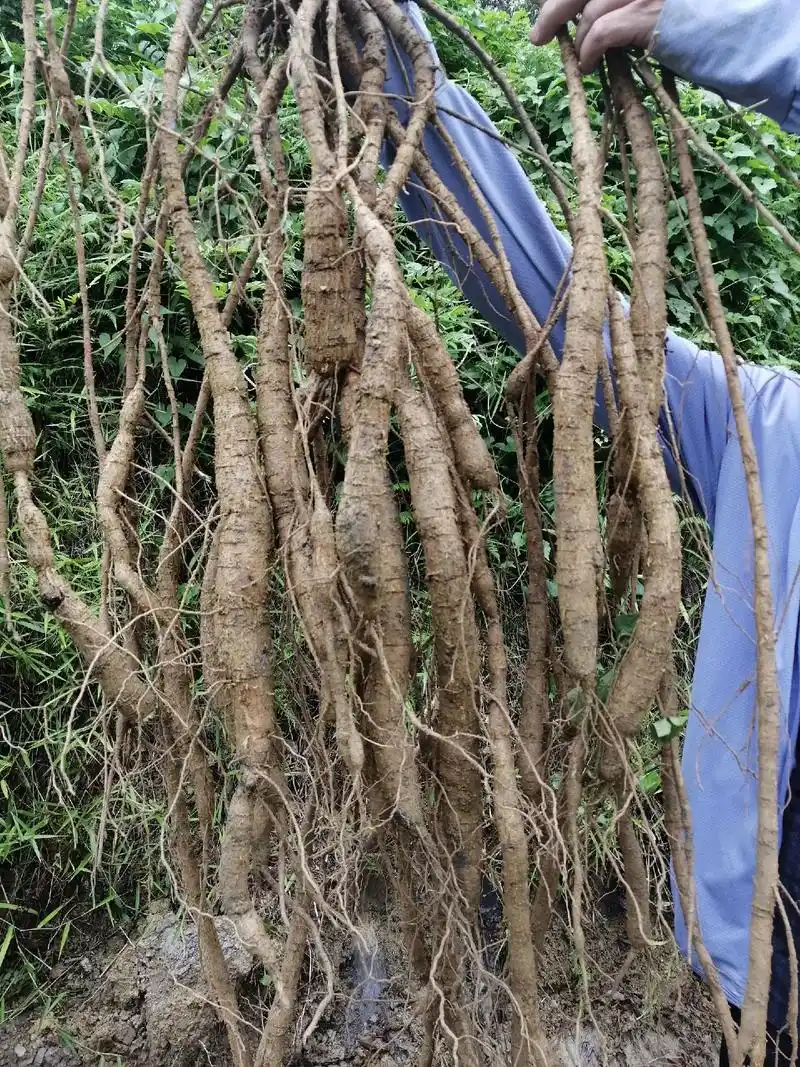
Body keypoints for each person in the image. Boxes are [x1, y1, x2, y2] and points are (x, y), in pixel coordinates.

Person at [381, 1, 800, 1063]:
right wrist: (386, 72)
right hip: (766, 970)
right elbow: (559, 311)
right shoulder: (770, 434)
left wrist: (718, 23)